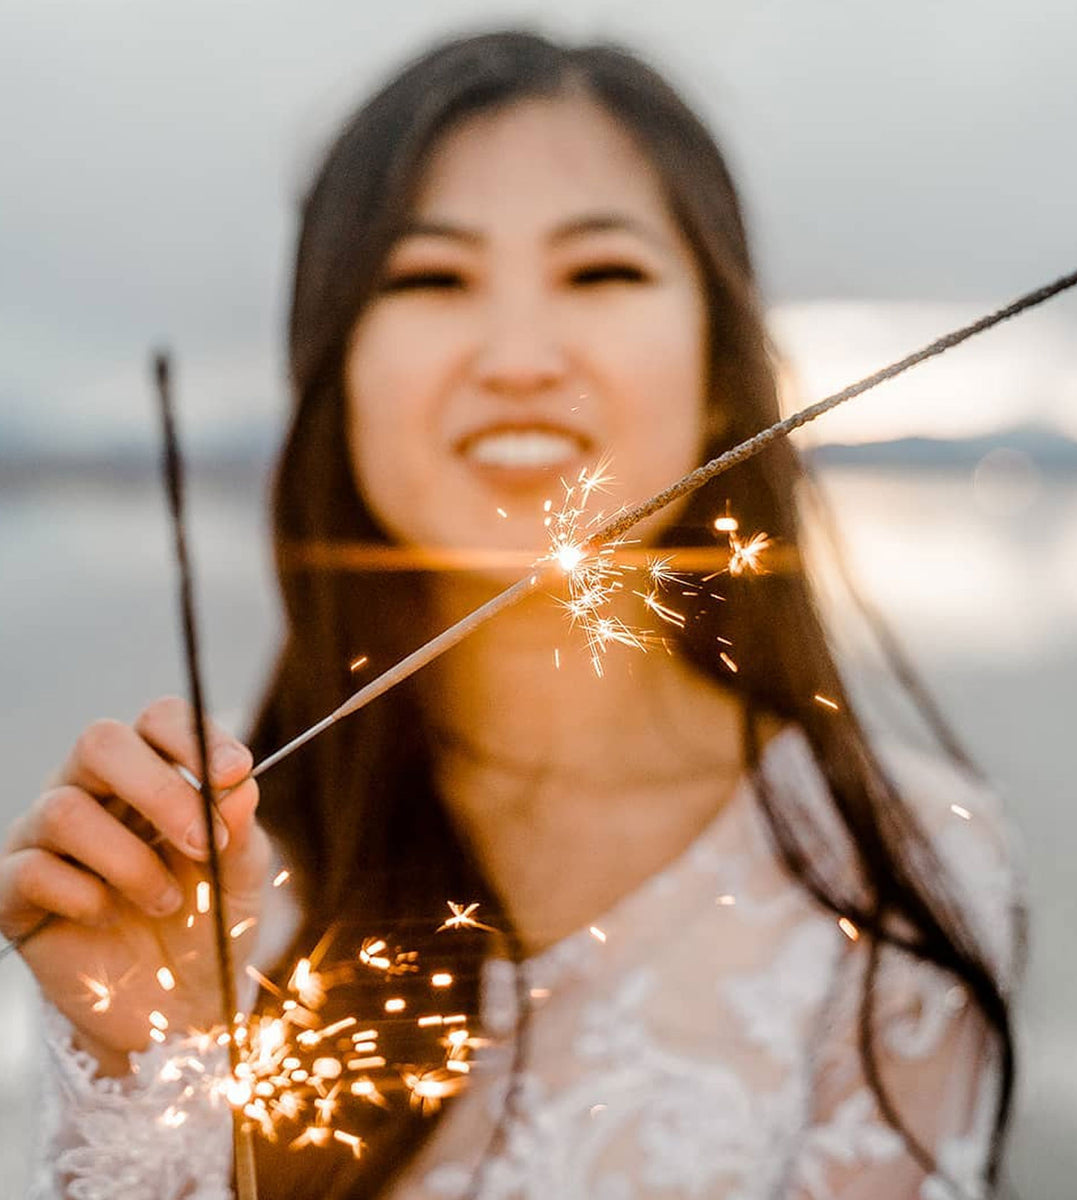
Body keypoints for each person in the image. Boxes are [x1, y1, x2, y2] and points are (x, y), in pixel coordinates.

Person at [0, 29, 1025, 1200]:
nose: (521, 358)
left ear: (719, 371)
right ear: (334, 374)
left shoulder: (900, 873)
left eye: (601, 273)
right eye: (431, 279)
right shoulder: (187, 855)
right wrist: (142, 1064)